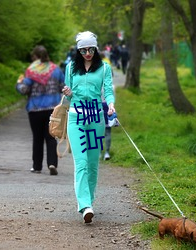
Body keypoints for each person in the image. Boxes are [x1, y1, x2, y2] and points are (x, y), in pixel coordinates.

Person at [62, 31, 115, 223]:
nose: (87, 53)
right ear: (78, 50)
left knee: (93, 164)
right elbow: (68, 97)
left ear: (96, 48)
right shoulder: (70, 68)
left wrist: (110, 104)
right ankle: (84, 205)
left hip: (95, 119)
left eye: (91, 49)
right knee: (81, 163)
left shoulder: (104, 68)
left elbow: (108, 90)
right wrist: (67, 92)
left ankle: (89, 202)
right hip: (76, 118)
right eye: (83, 50)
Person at [16, 45, 65, 175]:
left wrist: (19, 83)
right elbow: (63, 87)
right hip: (52, 109)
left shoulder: (31, 71)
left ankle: (37, 166)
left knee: (37, 138)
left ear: (35, 57)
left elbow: (24, 90)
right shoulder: (56, 70)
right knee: (51, 137)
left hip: (35, 109)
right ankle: (52, 163)